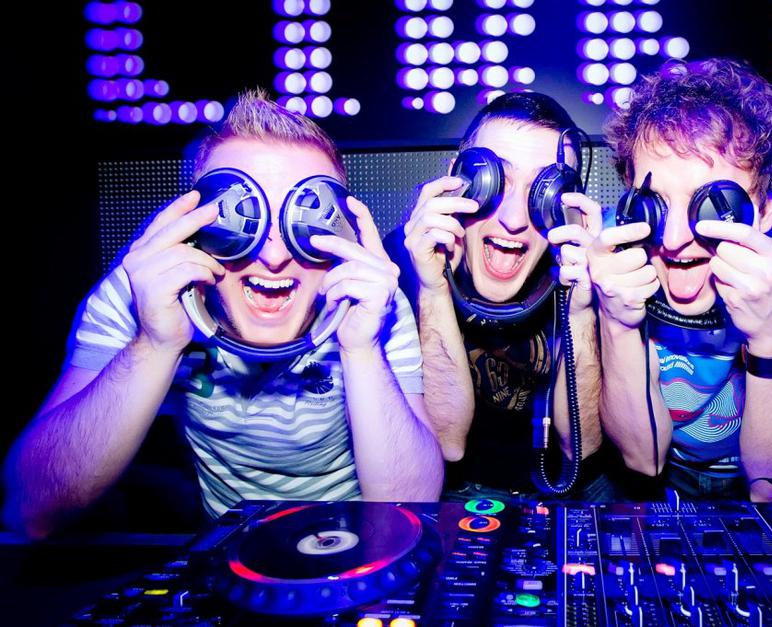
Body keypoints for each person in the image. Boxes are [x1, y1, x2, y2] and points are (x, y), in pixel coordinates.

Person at [4, 90, 443, 539]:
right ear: (194, 228)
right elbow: (32, 509)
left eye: (304, 221)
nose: (273, 256)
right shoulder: (143, 290)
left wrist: (362, 348)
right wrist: (155, 344)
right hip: (228, 547)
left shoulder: (371, 301)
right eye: (240, 219)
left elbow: (414, 505)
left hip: (359, 540)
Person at [588, 58, 772, 501]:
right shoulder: (614, 251)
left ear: (766, 207)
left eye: (710, 204)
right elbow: (642, 461)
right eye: (656, 203)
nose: (675, 239)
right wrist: (617, 323)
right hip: (654, 480)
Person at [386, 92, 614, 501]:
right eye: (496, 179)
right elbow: (447, 444)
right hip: (451, 487)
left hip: (561, 488)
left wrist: (581, 310)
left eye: (542, 189)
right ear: (458, 178)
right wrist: (434, 290)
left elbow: (582, 447)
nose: (513, 220)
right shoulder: (401, 262)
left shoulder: (585, 270)